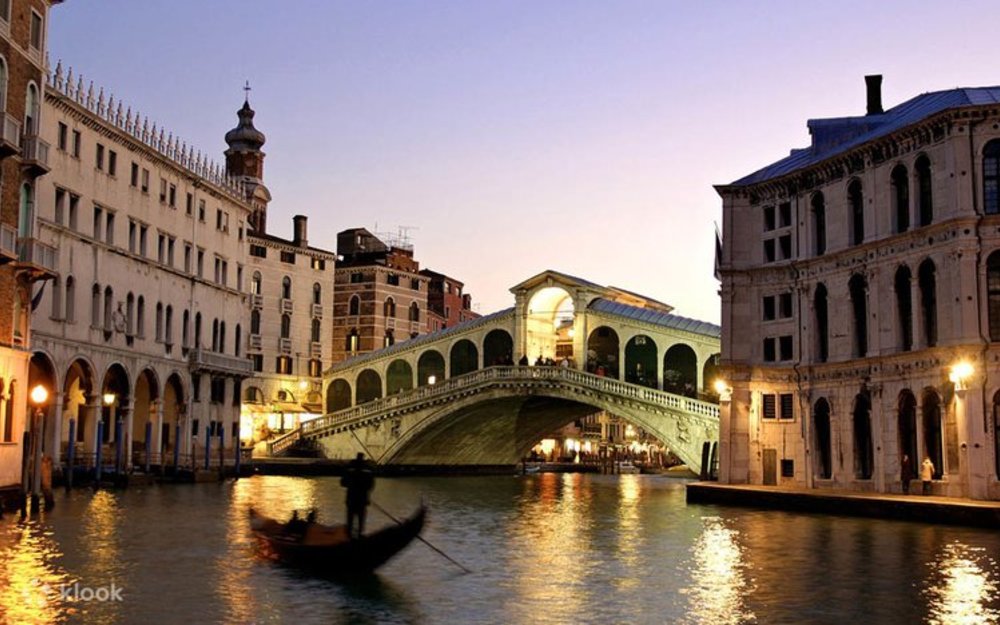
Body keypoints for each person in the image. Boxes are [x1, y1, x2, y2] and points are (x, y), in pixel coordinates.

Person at [341, 452, 375, 538]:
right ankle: (360, 535)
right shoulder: (368, 471)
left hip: (351, 499)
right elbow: (371, 486)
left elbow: (343, 483)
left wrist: (351, 485)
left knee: (350, 519)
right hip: (362, 499)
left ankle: (349, 535)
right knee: (361, 520)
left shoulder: (350, 470)